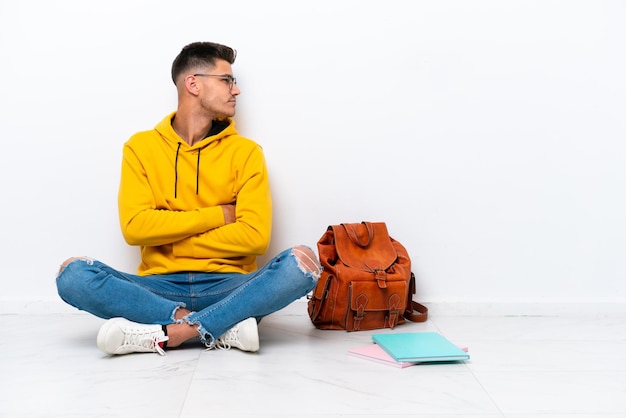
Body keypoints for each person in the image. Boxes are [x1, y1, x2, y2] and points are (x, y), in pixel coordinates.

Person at [56, 41, 321, 356]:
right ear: (193, 83)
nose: (235, 91)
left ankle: (172, 332)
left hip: (230, 286)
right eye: (226, 80)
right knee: (72, 274)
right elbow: (135, 228)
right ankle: (217, 326)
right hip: (158, 288)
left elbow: (254, 237)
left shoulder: (246, 153)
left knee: (302, 263)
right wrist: (217, 216)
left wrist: (166, 237)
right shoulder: (140, 148)